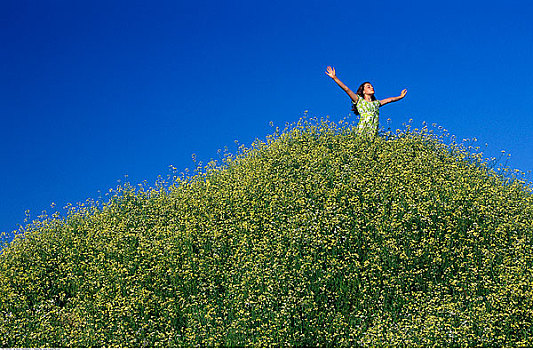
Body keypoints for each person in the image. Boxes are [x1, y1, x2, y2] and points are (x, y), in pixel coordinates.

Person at [325, 66, 407, 137]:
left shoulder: (376, 103)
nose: (371, 88)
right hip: (362, 132)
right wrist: (335, 78)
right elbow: (346, 89)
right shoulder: (359, 101)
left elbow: (390, 100)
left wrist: (400, 96)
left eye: (372, 86)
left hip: (373, 133)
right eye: (368, 87)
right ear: (363, 91)